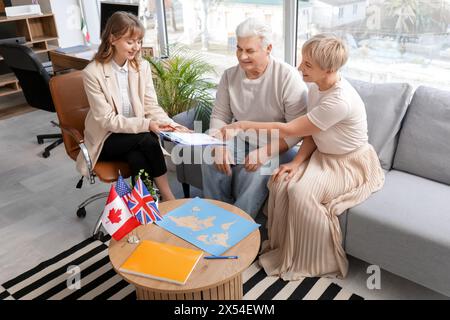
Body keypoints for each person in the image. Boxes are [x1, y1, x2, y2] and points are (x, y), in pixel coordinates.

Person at [221, 34, 385, 279]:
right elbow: (312, 133)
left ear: (328, 69)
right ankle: (285, 249)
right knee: (280, 181)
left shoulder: (339, 101)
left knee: (299, 192)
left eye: (308, 65)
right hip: (322, 155)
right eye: (303, 61)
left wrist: (243, 124)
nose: (300, 68)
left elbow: (291, 130)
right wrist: (296, 163)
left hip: (348, 163)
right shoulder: (318, 88)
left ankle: (315, 259)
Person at [202, 18, 308, 218]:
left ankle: (240, 227)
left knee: (259, 173)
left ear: (268, 48)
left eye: (249, 51)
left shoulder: (287, 77)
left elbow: (297, 131)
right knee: (210, 155)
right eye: (239, 49)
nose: (242, 56)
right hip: (242, 139)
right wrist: (219, 146)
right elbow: (220, 115)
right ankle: (215, 216)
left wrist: (265, 152)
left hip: (279, 144)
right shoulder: (229, 76)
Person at [76, 11, 188, 201]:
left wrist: (172, 126)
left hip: (134, 136)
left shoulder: (141, 66)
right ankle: (169, 198)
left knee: (138, 157)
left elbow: (151, 105)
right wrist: (147, 125)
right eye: (130, 41)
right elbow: (107, 121)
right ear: (112, 39)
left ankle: (145, 206)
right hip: (106, 138)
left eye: (139, 41)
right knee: (147, 139)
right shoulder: (92, 73)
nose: (136, 47)